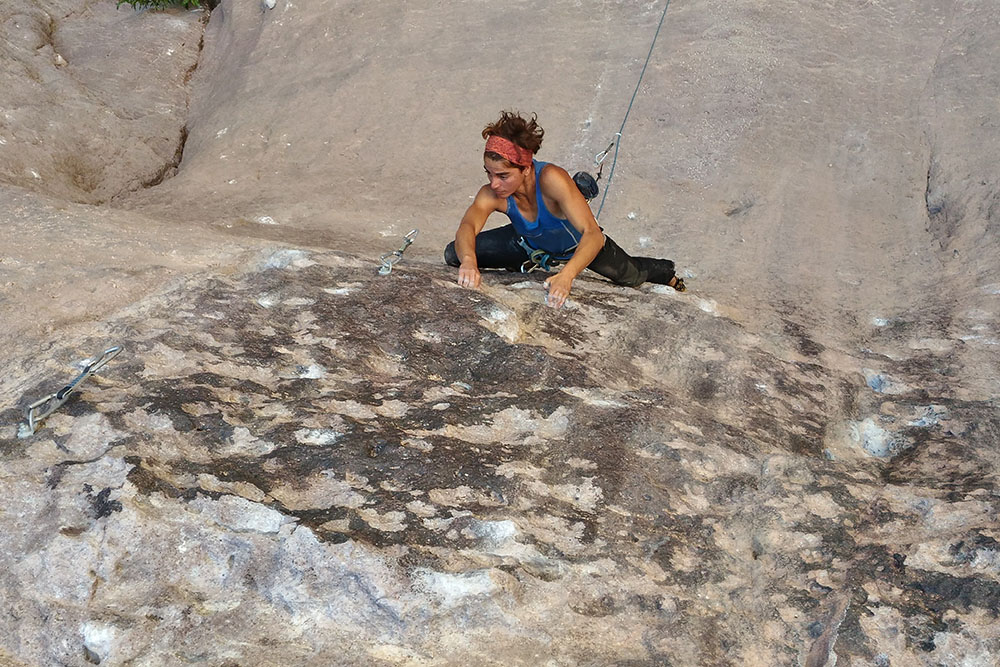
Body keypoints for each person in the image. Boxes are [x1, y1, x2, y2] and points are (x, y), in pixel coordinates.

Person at [444, 111, 685, 309]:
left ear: (526, 169)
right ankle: (515, 260)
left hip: (577, 247)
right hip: (528, 243)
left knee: (631, 277)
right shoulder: (492, 193)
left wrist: (567, 276)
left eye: (503, 176)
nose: (494, 183)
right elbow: (468, 226)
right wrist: (468, 261)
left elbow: (593, 234)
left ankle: (666, 272)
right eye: (489, 173)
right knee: (453, 254)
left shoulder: (551, 179)